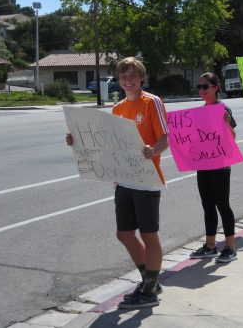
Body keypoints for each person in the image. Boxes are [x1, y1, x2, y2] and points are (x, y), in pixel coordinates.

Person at [66, 57, 169, 310]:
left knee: (149, 234)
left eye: (133, 75)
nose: (128, 79)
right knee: (124, 234)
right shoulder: (119, 108)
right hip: (123, 180)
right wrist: (77, 141)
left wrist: (152, 150)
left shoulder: (152, 102)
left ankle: (149, 290)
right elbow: (107, 146)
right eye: (124, 76)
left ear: (141, 77)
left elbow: (165, 139)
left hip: (146, 180)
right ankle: (149, 280)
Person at [188, 72, 239, 263]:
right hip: (203, 163)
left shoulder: (222, 108)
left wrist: (227, 125)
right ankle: (210, 246)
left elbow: (233, 138)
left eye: (205, 87)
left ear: (216, 88)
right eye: (199, 87)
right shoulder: (200, 111)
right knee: (207, 204)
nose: (201, 90)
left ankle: (230, 247)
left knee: (222, 204)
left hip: (220, 164)